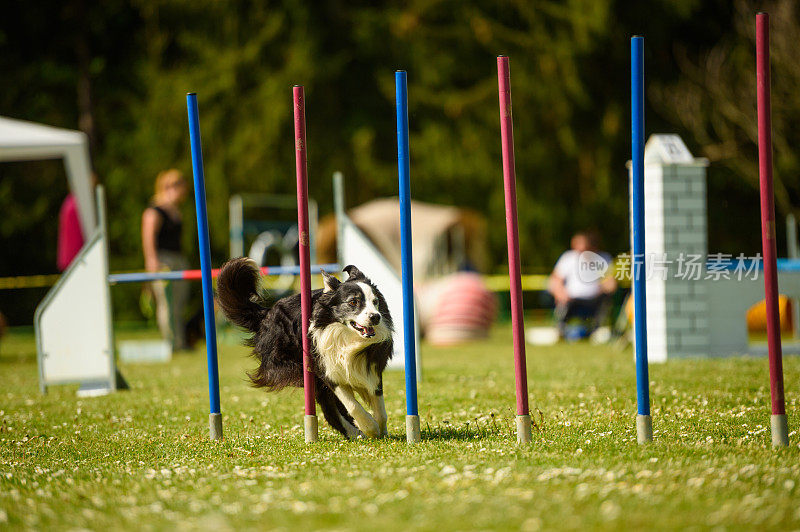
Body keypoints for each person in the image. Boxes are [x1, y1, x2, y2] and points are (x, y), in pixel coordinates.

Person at [142, 169, 190, 350]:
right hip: (163, 261)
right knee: (166, 304)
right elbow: (148, 237)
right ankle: (170, 343)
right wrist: (151, 260)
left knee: (179, 302)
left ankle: (180, 341)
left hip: (178, 259)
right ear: (169, 187)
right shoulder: (154, 211)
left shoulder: (176, 211)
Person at [548, 230, 616, 339]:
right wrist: (560, 293)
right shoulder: (568, 258)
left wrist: (605, 288)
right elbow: (555, 280)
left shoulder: (603, 258)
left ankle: (596, 330)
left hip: (595, 299)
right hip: (571, 299)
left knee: (605, 301)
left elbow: (610, 284)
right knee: (563, 305)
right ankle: (561, 330)